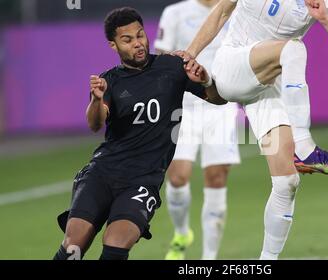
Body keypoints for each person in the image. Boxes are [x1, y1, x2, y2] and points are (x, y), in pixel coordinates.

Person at [177, 0, 328, 259]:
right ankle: (305, 146)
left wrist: (324, 18)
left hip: (269, 82)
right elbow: (222, 9)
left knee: (287, 181)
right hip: (233, 64)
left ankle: (267, 262)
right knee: (294, 50)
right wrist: (191, 52)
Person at [53, 7, 223, 260]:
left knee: (116, 244)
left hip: (143, 180)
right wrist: (97, 100)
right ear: (113, 45)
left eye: (140, 35)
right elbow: (95, 123)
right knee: (74, 246)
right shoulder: (108, 81)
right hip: (102, 173)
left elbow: (217, 99)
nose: (138, 44)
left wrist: (206, 79)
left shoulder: (172, 67)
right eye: (128, 40)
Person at [154, 0, 240, 260]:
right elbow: (160, 58)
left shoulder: (235, 8)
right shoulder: (175, 13)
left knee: (216, 178)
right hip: (183, 108)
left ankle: (209, 258)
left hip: (220, 104)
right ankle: (182, 233)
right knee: (178, 178)